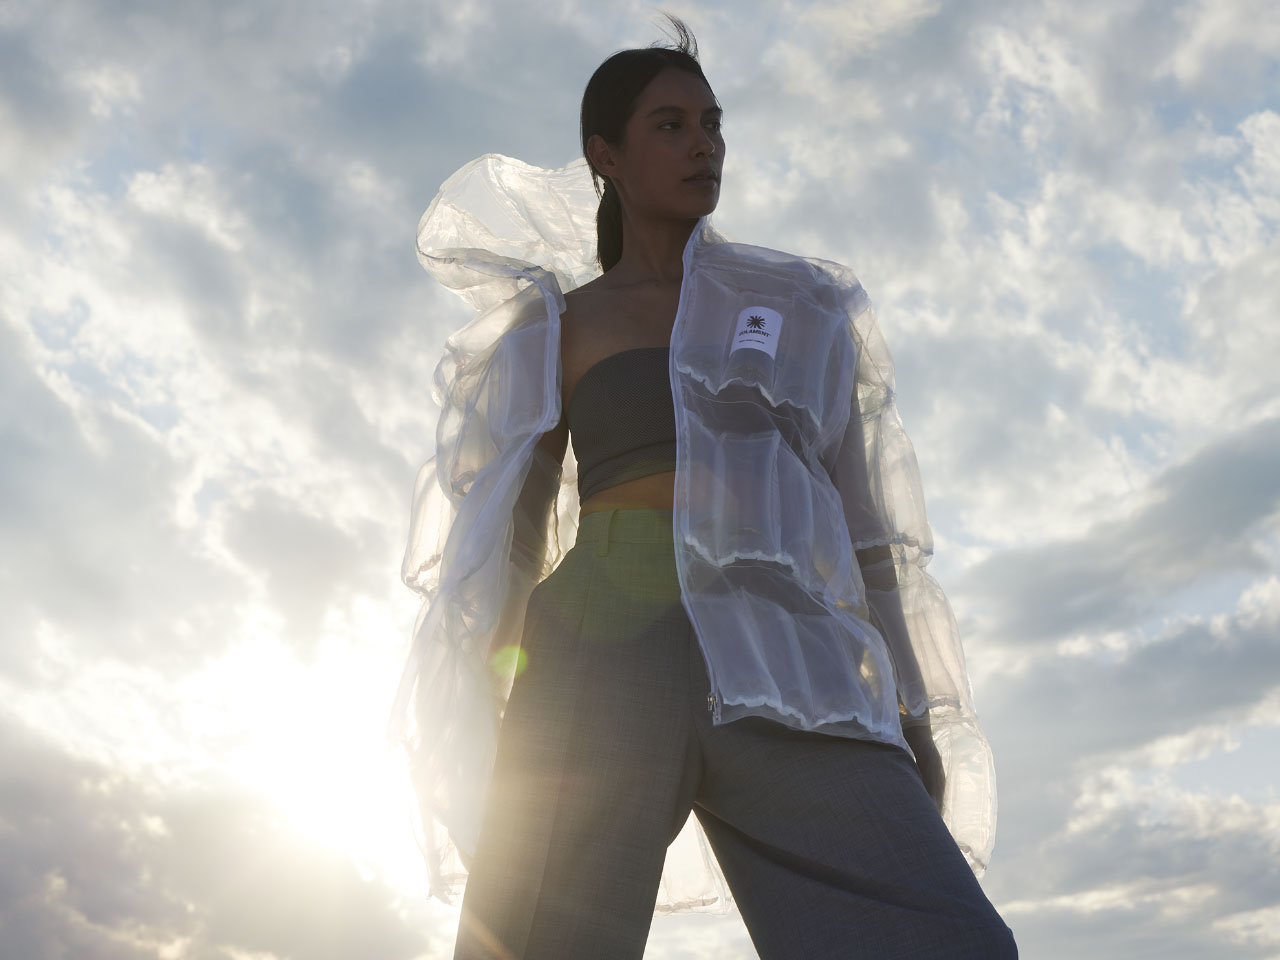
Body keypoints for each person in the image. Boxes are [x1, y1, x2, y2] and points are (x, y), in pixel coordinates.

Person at [393, 15, 1019, 960]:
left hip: (786, 647)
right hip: (598, 643)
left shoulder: (803, 304)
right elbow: (509, 540)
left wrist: (912, 710)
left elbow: (869, 534)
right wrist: (488, 691)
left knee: (949, 940)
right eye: (671, 125)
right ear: (605, 156)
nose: (704, 145)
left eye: (713, 123)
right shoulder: (554, 327)